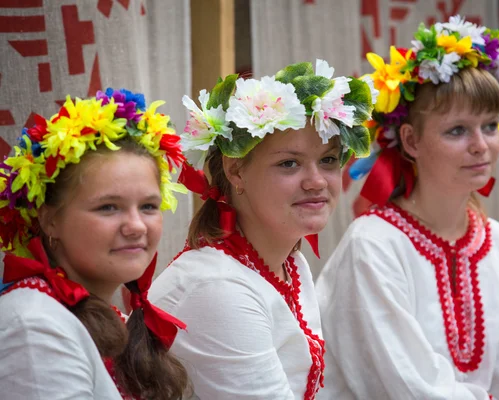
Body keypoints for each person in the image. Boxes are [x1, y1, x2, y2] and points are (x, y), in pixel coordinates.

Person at [316, 16, 499, 399]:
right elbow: (406, 386)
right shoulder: (373, 244)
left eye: (490, 125)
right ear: (411, 140)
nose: (481, 145)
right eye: (457, 130)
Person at [148, 59, 376, 399]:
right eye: (289, 163)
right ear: (236, 171)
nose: (316, 181)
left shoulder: (290, 264)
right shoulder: (219, 287)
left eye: (328, 160)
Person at [0, 89, 188, 399]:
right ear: (49, 221)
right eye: (108, 207)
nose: (136, 226)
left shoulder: (98, 314)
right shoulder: (33, 326)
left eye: (148, 206)